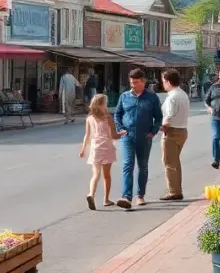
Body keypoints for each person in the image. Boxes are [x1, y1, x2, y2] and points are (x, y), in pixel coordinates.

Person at [114, 68, 162, 208]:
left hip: (145, 136)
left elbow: (158, 117)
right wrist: (120, 128)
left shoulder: (152, 97)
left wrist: (152, 132)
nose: (133, 85)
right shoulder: (124, 96)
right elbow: (117, 114)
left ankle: (140, 195)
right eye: (131, 82)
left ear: (143, 82)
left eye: (135, 82)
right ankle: (127, 197)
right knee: (128, 165)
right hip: (128, 136)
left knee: (143, 166)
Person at [79, 94, 122, 209]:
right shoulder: (107, 118)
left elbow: (87, 135)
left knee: (95, 174)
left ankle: (91, 194)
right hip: (107, 147)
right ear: (100, 105)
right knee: (107, 176)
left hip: (95, 148)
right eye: (105, 103)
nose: (106, 105)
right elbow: (114, 136)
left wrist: (83, 149)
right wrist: (122, 134)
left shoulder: (90, 118)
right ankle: (106, 200)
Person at [159, 69, 190, 201]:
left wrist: (161, 128)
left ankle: (174, 191)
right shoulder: (182, 94)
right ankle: (177, 189)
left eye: (163, 81)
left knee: (169, 163)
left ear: (168, 81)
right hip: (182, 130)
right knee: (175, 162)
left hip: (171, 131)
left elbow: (168, 116)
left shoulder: (172, 97)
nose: (163, 84)